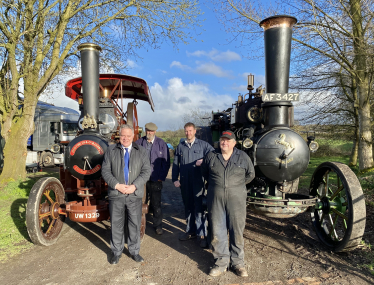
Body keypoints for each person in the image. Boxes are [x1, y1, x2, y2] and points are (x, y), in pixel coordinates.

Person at [201, 130, 255, 277]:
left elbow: (251, 174)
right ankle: (221, 263)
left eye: (227, 140)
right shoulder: (211, 155)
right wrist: (218, 185)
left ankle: (238, 263)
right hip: (215, 198)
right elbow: (205, 172)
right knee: (218, 230)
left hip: (236, 198)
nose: (224, 142)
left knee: (236, 230)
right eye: (222, 140)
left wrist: (235, 186)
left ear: (234, 143)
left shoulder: (243, 157)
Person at [102, 124, 151, 265]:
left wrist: (134, 186)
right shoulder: (111, 150)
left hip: (134, 194)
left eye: (128, 136)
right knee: (116, 224)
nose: (126, 138)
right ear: (119, 135)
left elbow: (146, 171)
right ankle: (116, 252)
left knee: (134, 224)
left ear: (133, 136)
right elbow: (105, 171)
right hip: (116, 194)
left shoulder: (141, 151)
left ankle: (134, 251)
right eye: (123, 135)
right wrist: (116, 185)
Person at [172, 122, 214, 247]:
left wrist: (204, 160)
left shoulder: (203, 145)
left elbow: (213, 155)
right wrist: (175, 178)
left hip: (198, 181)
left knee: (199, 207)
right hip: (185, 181)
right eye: (186, 131)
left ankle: (202, 234)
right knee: (188, 207)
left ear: (195, 131)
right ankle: (190, 231)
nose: (188, 133)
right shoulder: (180, 147)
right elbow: (175, 164)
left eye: (190, 130)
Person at [136, 122, 170, 235]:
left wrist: (161, 177)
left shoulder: (161, 144)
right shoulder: (138, 143)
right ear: (145, 130)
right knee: (140, 202)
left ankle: (158, 225)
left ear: (155, 131)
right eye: (148, 130)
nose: (149, 133)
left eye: (151, 131)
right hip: (142, 179)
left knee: (156, 203)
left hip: (156, 178)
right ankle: (140, 224)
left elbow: (166, 163)